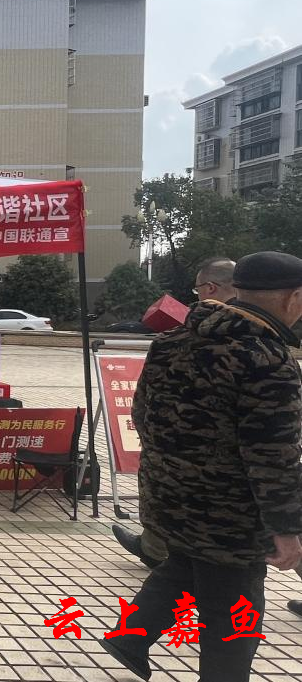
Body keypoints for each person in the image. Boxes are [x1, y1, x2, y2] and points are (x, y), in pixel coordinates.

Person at [98, 252, 302, 682]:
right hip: (230, 516)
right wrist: (287, 529)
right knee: (234, 618)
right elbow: (273, 455)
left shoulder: (171, 341)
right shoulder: (267, 359)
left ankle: (130, 638)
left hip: (168, 496)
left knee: (185, 566)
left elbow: (141, 417)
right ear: (293, 297)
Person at [112, 256, 238, 566]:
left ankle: (156, 552)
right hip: (241, 479)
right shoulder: (266, 344)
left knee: (196, 562)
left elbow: (143, 408)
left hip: (189, 474)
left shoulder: (170, 342)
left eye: (197, 289)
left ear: (210, 288)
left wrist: (157, 450)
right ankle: (155, 551)